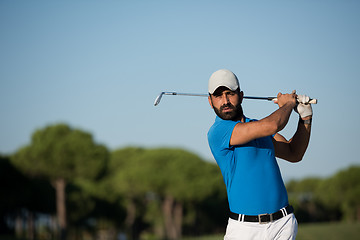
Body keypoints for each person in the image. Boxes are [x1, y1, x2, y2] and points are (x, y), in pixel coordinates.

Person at [207, 69, 312, 240]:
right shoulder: (218, 132)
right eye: (218, 96)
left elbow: (294, 153)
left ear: (241, 96)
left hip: (283, 225)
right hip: (244, 230)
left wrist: (305, 118)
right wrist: (288, 104)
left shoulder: (258, 127)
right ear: (210, 101)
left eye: (230, 94)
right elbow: (272, 125)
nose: (225, 101)